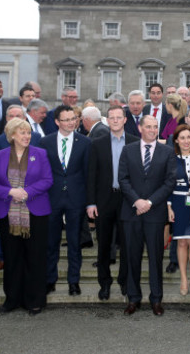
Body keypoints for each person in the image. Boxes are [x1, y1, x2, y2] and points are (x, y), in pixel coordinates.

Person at [0, 118, 53, 315]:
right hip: (9, 213)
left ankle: (35, 300)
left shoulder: (39, 154)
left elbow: (48, 180)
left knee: (35, 258)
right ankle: (12, 299)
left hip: (36, 213)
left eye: (28, 133)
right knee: (13, 258)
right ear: (12, 135)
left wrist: (27, 191)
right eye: (22, 133)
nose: (27, 136)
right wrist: (11, 192)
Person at [118, 115, 177, 316]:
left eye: (155, 127)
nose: (153, 130)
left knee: (155, 258)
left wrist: (150, 202)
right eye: (149, 126)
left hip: (155, 213)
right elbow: (123, 179)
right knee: (132, 257)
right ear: (140, 128)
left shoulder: (167, 152)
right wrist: (137, 201)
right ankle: (133, 298)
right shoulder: (128, 150)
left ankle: (156, 299)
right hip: (132, 212)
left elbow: (170, 182)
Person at [86, 106, 139, 300]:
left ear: (125, 120)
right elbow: (91, 174)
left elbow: (139, 175)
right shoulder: (97, 144)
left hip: (127, 200)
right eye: (112, 117)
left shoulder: (135, 142)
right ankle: (104, 283)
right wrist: (90, 203)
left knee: (127, 244)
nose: (115, 120)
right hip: (104, 199)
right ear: (107, 120)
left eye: (119, 117)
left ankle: (124, 281)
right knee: (104, 245)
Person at [40, 105, 91, 297]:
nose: (71, 123)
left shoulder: (85, 142)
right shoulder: (45, 142)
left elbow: (87, 173)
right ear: (57, 122)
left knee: (74, 243)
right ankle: (49, 280)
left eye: (73, 119)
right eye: (66, 119)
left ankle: (73, 281)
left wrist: (89, 201)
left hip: (76, 199)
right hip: (51, 199)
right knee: (50, 242)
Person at [168, 125, 190, 298]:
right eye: (182, 138)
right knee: (181, 242)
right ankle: (183, 278)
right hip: (178, 201)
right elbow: (167, 183)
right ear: (176, 140)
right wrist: (168, 206)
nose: (186, 141)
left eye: (188, 137)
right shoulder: (171, 157)